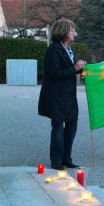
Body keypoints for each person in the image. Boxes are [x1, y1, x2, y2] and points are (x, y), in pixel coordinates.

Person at [38, 19, 86, 170]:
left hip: (69, 95)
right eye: (72, 30)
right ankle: (56, 160)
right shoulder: (53, 50)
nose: (74, 33)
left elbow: (69, 69)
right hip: (56, 96)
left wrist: (81, 69)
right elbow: (54, 73)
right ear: (64, 32)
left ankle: (67, 158)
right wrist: (74, 68)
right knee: (58, 127)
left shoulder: (68, 49)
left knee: (72, 125)